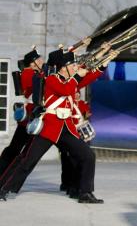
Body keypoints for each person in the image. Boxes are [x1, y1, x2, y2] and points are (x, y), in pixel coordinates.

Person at [0, 49, 118, 203]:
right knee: (27, 161)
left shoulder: (71, 80)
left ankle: (85, 193)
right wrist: (77, 76)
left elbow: (87, 78)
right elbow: (65, 89)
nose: (76, 67)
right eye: (73, 65)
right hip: (49, 128)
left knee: (88, 155)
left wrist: (104, 63)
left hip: (66, 128)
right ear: (64, 67)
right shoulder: (52, 79)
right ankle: (4, 188)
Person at [0, 49, 44, 177]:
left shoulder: (37, 71)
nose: (41, 61)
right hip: (30, 115)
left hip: (37, 114)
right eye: (38, 59)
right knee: (15, 148)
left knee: (22, 150)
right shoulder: (28, 73)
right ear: (32, 63)